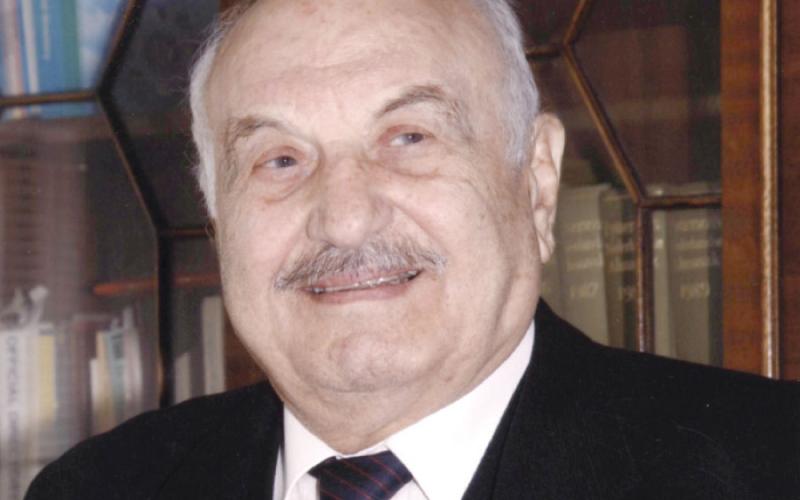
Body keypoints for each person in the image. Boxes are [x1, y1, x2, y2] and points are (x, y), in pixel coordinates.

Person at [26, 0, 799, 499]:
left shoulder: (771, 465)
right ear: (217, 214)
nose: (345, 219)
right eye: (280, 159)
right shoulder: (97, 487)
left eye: (409, 138)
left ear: (535, 182)